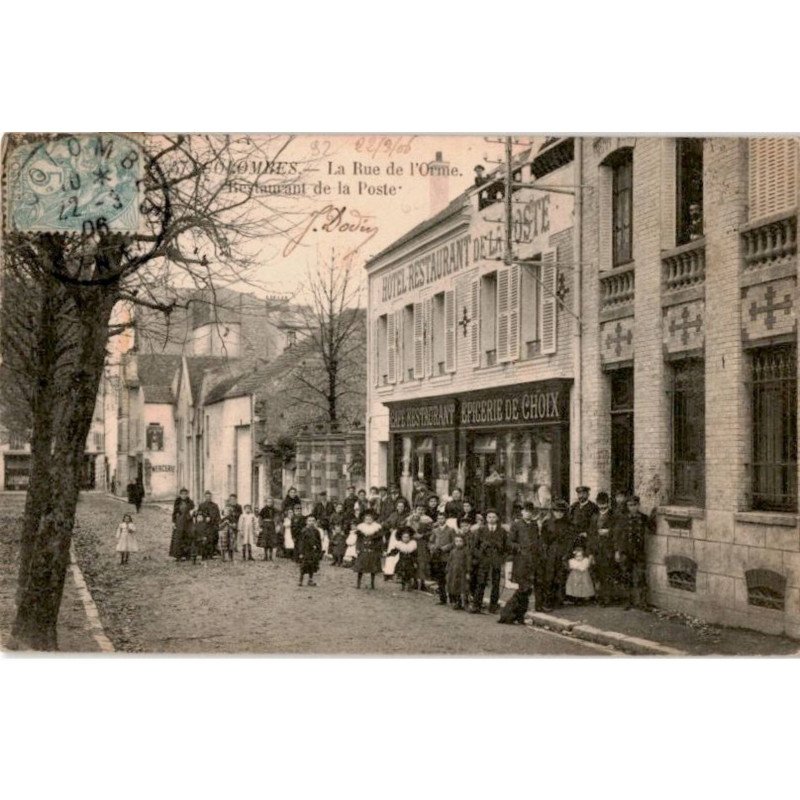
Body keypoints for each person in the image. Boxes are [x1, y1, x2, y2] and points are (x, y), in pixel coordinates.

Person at [499, 502, 544, 624]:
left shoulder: (534, 525)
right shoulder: (516, 525)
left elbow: (537, 541)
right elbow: (509, 542)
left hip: (533, 561)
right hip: (521, 562)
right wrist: (519, 548)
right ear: (522, 512)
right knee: (523, 589)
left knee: (527, 590)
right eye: (526, 511)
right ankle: (509, 614)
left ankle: (519, 615)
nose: (528, 513)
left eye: (530, 511)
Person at [615, 495, 651, 610]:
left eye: (635, 505)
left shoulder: (644, 518)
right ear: (627, 506)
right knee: (626, 577)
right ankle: (628, 601)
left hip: (639, 552)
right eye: (630, 505)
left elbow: (652, 527)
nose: (633, 508)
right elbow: (617, 536)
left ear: (638, 505)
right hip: (626, 552)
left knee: (641, 577)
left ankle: (642, 602)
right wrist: (617, 551)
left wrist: (654, 516)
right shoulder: (623, 519)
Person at [470, 509, 507, 614]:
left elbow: (506, 547)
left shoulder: (502, 531)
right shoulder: (481, 530)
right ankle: (477, 605)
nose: (491, 519)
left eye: (494, 517)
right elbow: (474, 547)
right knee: (481, 582)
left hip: (496, 561)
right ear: (486, 518)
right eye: (489, 517)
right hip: (484, 561)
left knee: (496, 584)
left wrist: (501, 558)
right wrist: (480, 556)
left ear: (497, 518)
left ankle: (493, 606)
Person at [541, 500, 575, 611]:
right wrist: (545, 552)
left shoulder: (568, 524)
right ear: (553, 511)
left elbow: (570, 540)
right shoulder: (547, 523)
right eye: (557, 511)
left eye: (561, 512)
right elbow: (543, 539)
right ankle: (547, 601)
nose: (559, 514)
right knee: (549, 577)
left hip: (563, 552)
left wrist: (568, 553)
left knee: (560, 577)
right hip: (551, 552)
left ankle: (558, 600)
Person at [587, 492, 616, 606]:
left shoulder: (613, 516)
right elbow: (591, 535)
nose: (602, 506)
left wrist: (609, 532)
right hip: (597, 550)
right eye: (600, 504)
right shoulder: (594, 517)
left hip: (609, 550)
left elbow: (618, 532)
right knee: (597, 574)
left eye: (604, 504)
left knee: (607, 574)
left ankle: (607, 598)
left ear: (608, 503)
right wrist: (590, 553)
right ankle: (599, 597)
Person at [429, 512, 454, 605]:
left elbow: (454, 543)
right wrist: (433, 547)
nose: (440, 520)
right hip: (437, 557)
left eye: (442, 518)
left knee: (449, 578)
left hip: (447, 557)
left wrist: (445, 548)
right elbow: (430, 542)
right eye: (439, 519)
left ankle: (452, 599)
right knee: (440, 579)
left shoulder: (451, 530)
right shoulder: (435, 530)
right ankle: (442, 598)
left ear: (445, 519)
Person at [354, 509, 383, 590]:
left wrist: (379, 549)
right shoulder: (361, 528)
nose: (368, 520)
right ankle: (358, 583)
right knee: (360, 567)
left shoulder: (376, 528)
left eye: (370, 518)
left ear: (373, 519)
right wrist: (357, 548)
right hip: (363, 550)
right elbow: (358, 540)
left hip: (373, 550)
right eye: (367, 518)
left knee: (373, 568)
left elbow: (379, 541)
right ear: (364, 519)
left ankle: (372, 583)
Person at [297, 514, 323, 587]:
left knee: (312, 565)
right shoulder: (304, 531)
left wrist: (319, 550)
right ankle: (300, 580)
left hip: (313, 552)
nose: (311, 522)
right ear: (306, 522)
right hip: (306, 551)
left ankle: (310, 580)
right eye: (309, 521)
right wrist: (301, 552)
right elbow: (301, 542)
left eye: (313, 521)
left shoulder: (316, 531)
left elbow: (319, 541)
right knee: (304, 565)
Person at [446, 532, 470, 610]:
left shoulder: (466, 551)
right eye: (457, 541)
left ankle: (465, 603)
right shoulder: (453, 551)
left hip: (462, 572)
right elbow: (449, 561)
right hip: (454, 572)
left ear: (463, 542)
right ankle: (457, 602)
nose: (458, 543)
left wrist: (468, 572)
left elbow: (468, 562)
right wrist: (448, 570)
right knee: (455, 587)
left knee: (463, 588)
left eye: (460, 541)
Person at [169, 488, 195, 561]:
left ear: (187, 494)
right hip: (179, 522)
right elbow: (174, 512)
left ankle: (187, 555)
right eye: (182, 494)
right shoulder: (177, 502)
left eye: (185, 494)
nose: (184, 495)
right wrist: (173, 522)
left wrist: (192, 513)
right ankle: (178, 556)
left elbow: (193, 511)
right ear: (180, 495)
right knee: (178, 538)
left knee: (188, 537)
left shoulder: (190, 502)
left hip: (188, 522)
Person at [194, 491, 221, 560]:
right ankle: (204, 555)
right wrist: (203, 518)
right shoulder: (201, 505)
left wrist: (216, 523)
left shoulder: (215, 505)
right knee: (204, 540)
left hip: (213, 525)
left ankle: (211, 554)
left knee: (213, 539)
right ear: (205, 497)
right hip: (204, 525)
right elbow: (199, 514)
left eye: (209, 496)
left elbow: (218, 516)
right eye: (207, 497)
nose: (208, 498)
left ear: (211, 497)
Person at [220, 498, 240, 562]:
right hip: (224, 534)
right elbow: (219, 526)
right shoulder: (222, 519)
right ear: (223, 512)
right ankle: (223, 557)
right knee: (223, 545)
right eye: (225, 512)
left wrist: (229, 524)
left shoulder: (232, 519)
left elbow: (234, 526)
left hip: (231, 533)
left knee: (230, 545)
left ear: (230, 512)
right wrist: (224, 523)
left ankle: (230, 557)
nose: (227, 513)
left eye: (228, 512)